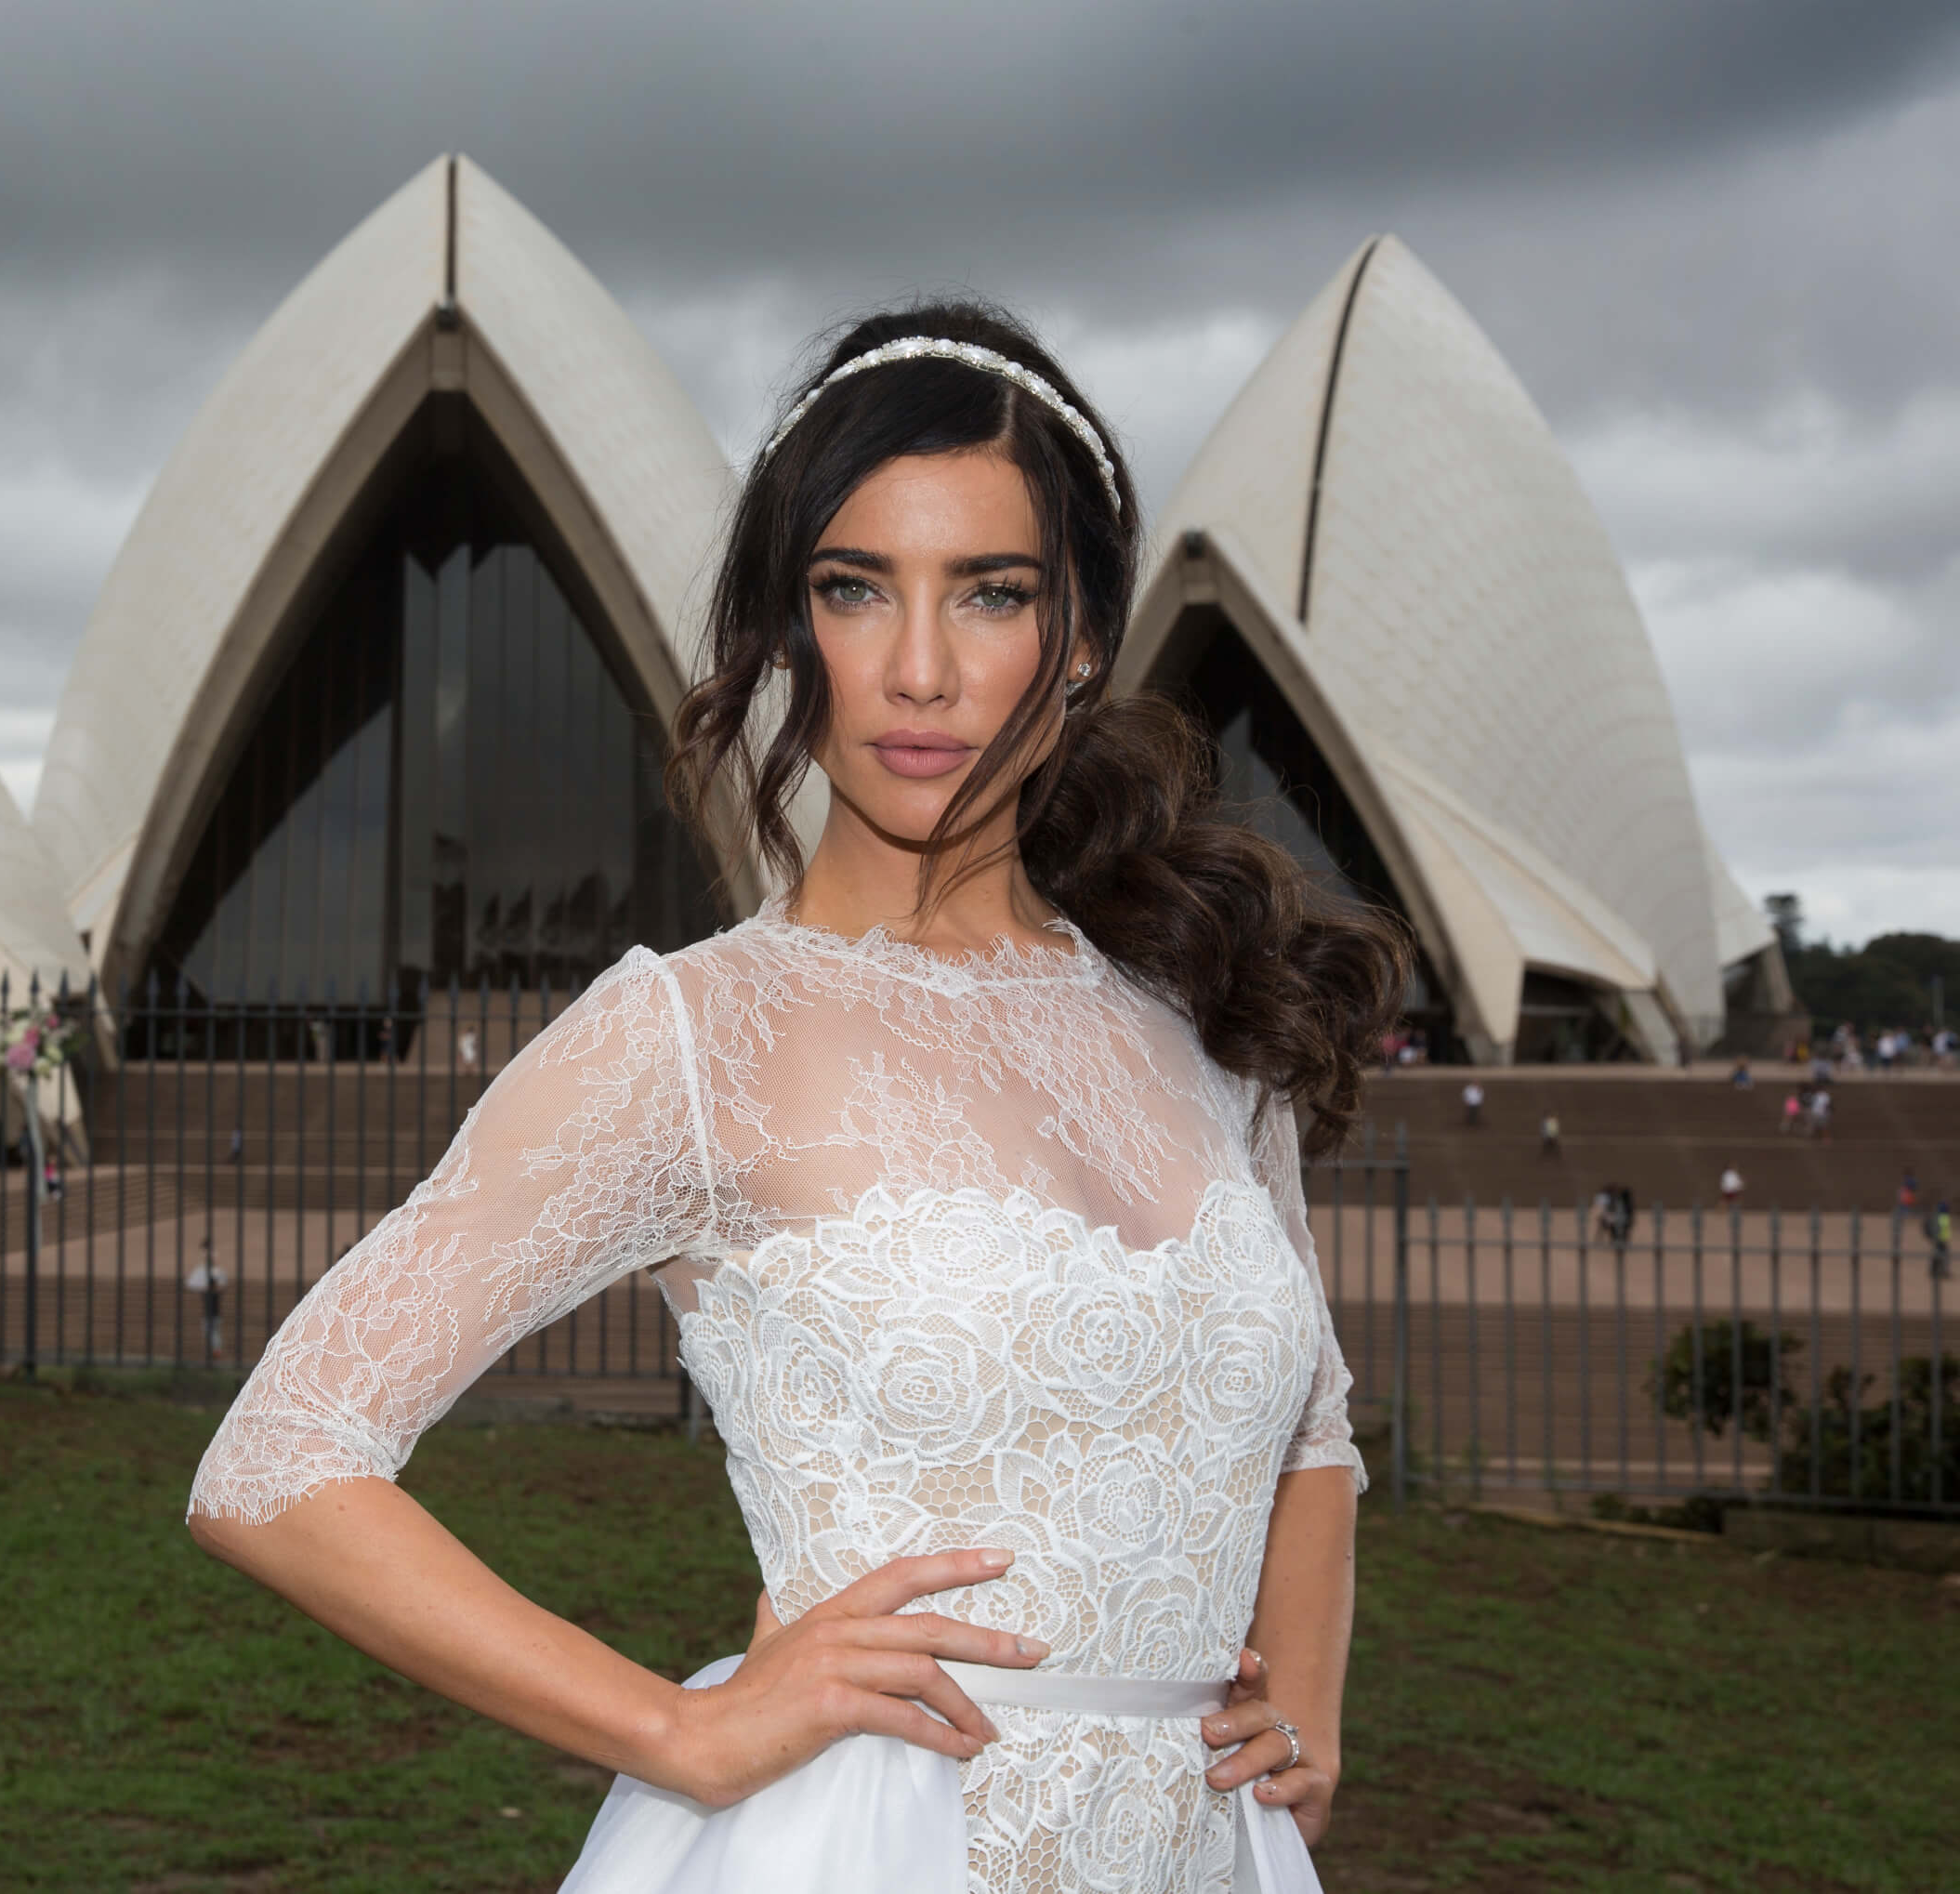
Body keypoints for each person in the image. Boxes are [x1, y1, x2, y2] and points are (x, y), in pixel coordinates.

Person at [186, 307, 1403, 1891]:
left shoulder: (1199, 1011)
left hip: (1204, 1851)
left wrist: (1305, 1698)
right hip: (873, 1841)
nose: (916, 667)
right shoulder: (693, 1034)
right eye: (853, 587)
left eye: (991, 593)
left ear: (1087, 633)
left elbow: (1308, 1409)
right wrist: (675, 1730)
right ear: (785, 625)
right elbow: (279, 1458)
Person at [185, 1236, 230, 1357]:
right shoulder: (213, 1284)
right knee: (213, 1332)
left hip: (211, 1313)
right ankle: (215, 1350)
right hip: (213, 1313)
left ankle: (215, 1351)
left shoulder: (212, 1274)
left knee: (212, 1332)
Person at [1933, 1202, 1953, 1282]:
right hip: (1941, 1240)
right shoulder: (1944, 1218)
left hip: (1941, 1240)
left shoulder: (1939, 1217)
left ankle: (1937, 1271)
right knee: (1943, 1256)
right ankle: (1942, 1272)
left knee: (1938, 1256)